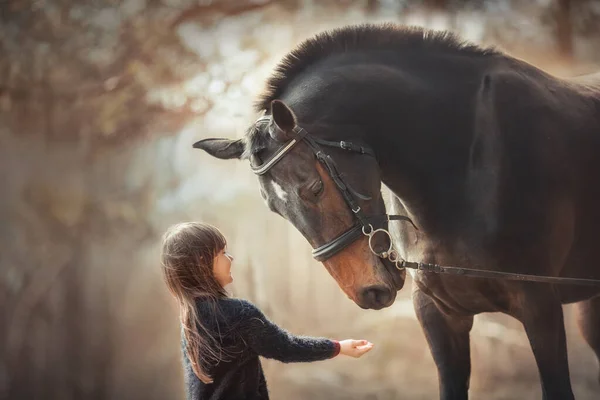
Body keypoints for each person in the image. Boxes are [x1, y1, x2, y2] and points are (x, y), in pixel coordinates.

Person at [160, 222, 374, 400]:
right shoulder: (239, 314)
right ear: (202, 263)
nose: (230, 258)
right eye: (222, 253)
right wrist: (338, 347)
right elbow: (286, 348)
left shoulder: (190, 320)